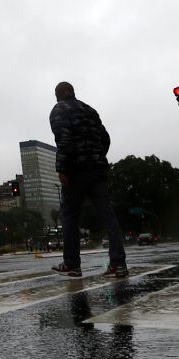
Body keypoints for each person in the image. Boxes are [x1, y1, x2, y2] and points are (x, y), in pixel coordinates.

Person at [48, 81, 127, 277]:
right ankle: (118, 264)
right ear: (73, 92)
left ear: (58, 95)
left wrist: (62, 168)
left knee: (70, 215)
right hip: (98, 169)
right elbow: (105, 138)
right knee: (108, 215)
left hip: (76, 170)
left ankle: (72, 264)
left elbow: (64, 139)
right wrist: (97, 155)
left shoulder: (59, 110)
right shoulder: (89, 110)